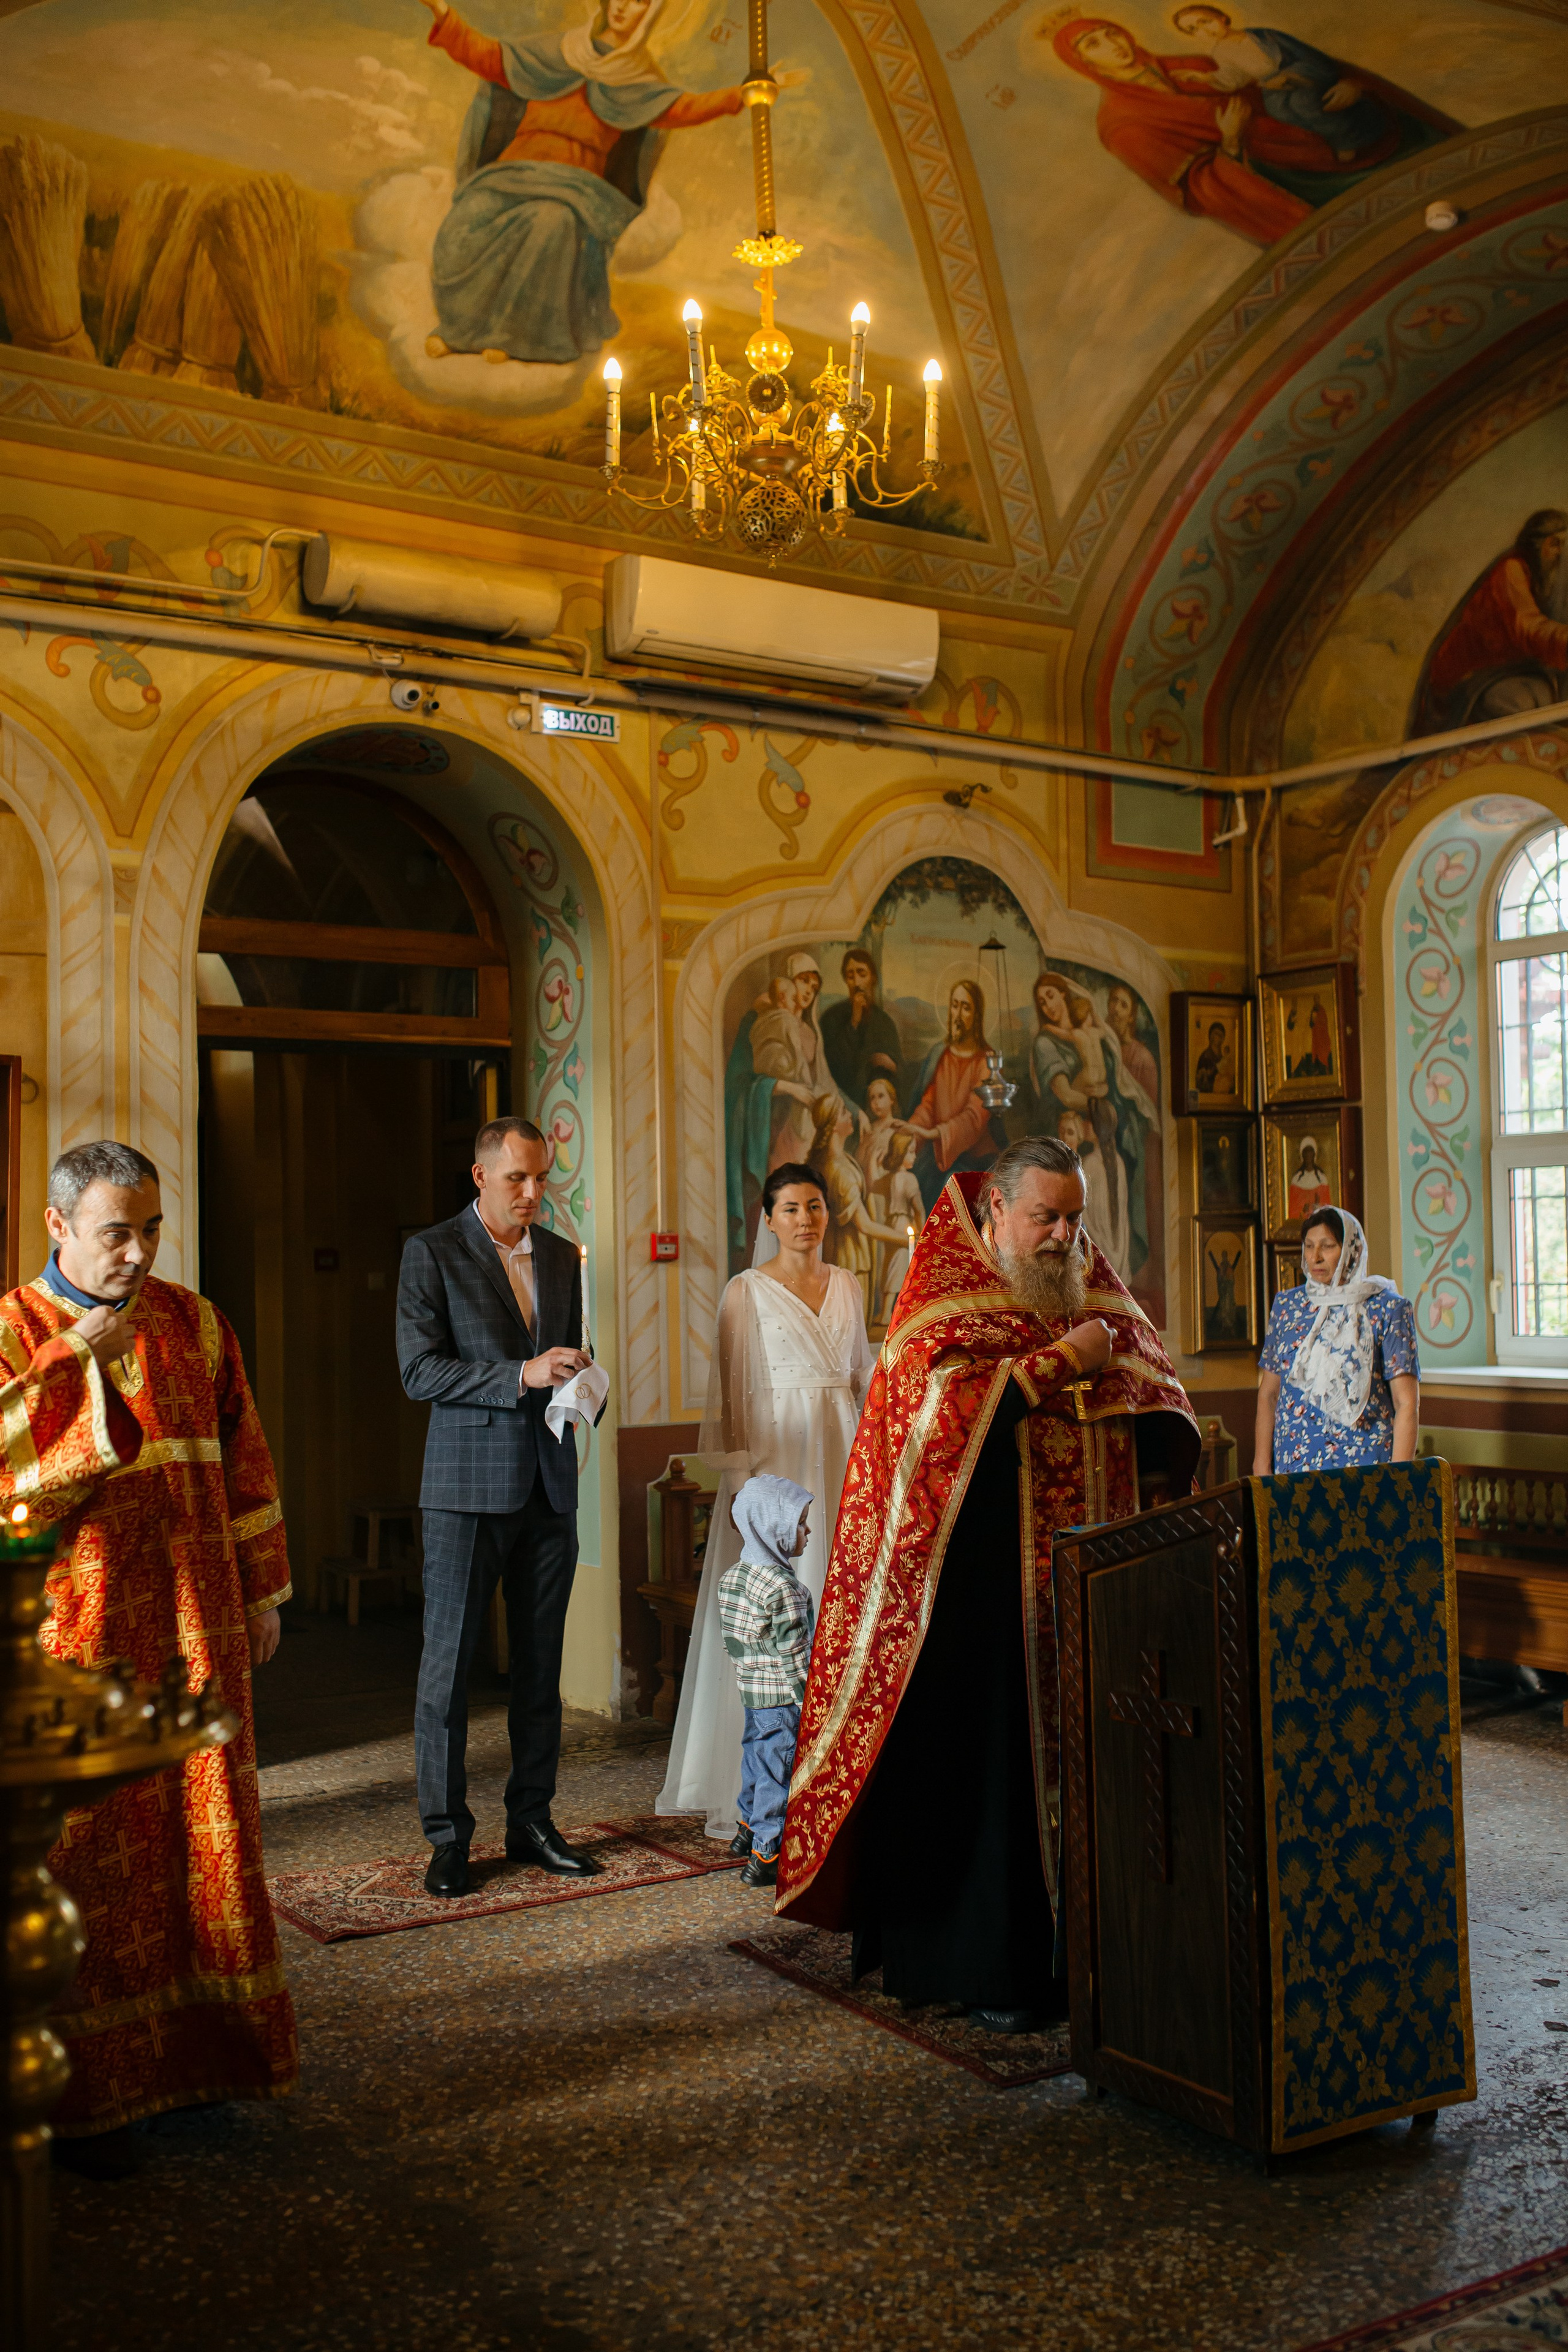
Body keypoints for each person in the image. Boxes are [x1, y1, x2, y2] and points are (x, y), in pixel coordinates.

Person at [778, 1138, 1199, 2029]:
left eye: (1075, 1219)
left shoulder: (1089, 1287)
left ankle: (1089, 1952)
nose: (1064, 1237)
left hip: (1085, 1585)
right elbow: (935, 1419)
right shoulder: (942, 1295)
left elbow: (1150, 1379)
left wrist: (1125, 1399)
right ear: (998, 1211)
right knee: (982, 1774)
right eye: (1046, 1218)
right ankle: (979, 1967)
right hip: (967, 1598)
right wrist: (1061, 1365)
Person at [0, 1141, 297, 2173]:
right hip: (76, 1645)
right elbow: (11, 1486)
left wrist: (261, 1585)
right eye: (116, 1232)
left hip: (197, 1626)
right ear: (58, 1226)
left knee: (206, 1842)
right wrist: (70, 1358)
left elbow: (246, 1453)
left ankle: (202, 2060)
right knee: (86, 1858)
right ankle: (85, 2093)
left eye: (151, 1230)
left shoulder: (195, 1322)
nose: (138, 1252)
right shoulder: (13, 1330)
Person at [396, 1114, 600, 1899]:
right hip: (464, 1491)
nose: (533, 1192)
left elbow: (565, 1355)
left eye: (541, 1177)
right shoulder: (431, 1252)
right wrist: (522, 1374)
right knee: (446, 1672)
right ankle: (448, 1839)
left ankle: (532, 1822)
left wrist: (580, 1381)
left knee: (541, 1669)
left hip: (549, 1484)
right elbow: (420, 1372)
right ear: (480, 1175)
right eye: (517, 1177)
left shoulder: (560, 1255)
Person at [657, 1162, 873, 1840]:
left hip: (841, 1452)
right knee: (778, 1622)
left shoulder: (848, 1284)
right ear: (770, 1220)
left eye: (815, 1206)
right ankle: (763, 1792)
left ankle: (836, 1774)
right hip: (777, 1464)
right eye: (791, 1209)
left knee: (839, 1601)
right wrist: (744, 1487)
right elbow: (729, 1396)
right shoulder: (744, 1291)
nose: (805, 1219)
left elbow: (861, 1377)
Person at [420, 0, 771, 366]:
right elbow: (488, 57)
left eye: (638, 1)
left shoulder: (639, 81)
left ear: (652, 13)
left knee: (552, 221)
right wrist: (443, 12)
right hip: (509, 176)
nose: (622, 7)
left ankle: (510, 334)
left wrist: (741, 95)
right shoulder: (555, 52)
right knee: (465, 223)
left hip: (575, 189)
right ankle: (457, 328)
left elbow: (684, 109)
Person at [1169, 7, 1455, 169]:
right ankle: (1332, 137)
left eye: (1205, 21)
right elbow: (1234, 79)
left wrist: (1290, 76)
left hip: (1300, 77)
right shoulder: (1220, 53)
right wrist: (1203, 78)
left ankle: (1347, 139)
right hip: (1272, 88)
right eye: (1194, 29)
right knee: (1281, 111)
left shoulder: (1263, 36)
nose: (1204, 30)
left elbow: (1307, 57)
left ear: (1222, 17)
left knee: (1305, 104)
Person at [1254, 1207, 1420, 1473]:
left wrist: (1398, 1479)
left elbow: (1406, 1403)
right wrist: (1261, 1466)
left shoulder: (1389, 1308)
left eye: (1327, 1246)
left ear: (1351, 1250)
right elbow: (1269, 1394)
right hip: (1294, 1464)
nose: (1315, 1257)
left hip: (1367, 1463)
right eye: (1309, 1246)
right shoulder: (1287, 1306)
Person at [717, 1474, 815, 1889]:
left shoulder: (733, 1577)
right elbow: (796, 1655)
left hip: (752, 1693)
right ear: (774, 1528)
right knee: (778, 1770)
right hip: (782, 1698)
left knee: (756, 1759)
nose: (808, 1532)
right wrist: (810, 1699)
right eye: (801, 1524)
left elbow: (732, 1642)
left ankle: (745, 1829)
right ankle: (766, 1854)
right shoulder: (785, 1588)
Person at [1413, 510, 1568, 733]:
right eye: (1554, 544)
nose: (1561, 553)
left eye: (1564, 545)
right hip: (1471, 679)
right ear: (1536, 545)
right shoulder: (1511, 570)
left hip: (1515, 672)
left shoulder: (1549, 580)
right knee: (1523, 704)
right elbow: (1528, 627)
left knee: (1550, 702)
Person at [904, 978, 1008, 1210]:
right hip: (940, 1149)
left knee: (950, 1189)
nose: (958, 1014)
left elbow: (974, 1118)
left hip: (975, 1156)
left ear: (977, 1016)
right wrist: (911, 1132)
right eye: (955, 1005)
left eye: (966, 1007)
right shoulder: (940, 1054)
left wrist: (934, 1133)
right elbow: (928, 1106)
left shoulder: (987, 1061)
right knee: (914, 1180)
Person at [808, 1092, 909, 1327]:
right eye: (844, 1112)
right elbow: (865, 1225)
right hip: (850, 1259)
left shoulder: (841, 1160)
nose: (850, 1116)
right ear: (834, 1125)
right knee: (850, 1329)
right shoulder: (839, 1170)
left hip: (851, 1255)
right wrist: (908, 1240)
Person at [821, 946, 904, 1112]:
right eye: (850, 976)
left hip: (877, 1109)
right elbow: (830, 1067)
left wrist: (890, 1065)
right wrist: (854, 1022)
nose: (857, 983)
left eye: (862, 974)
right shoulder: (831, 1017)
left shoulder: (885, 1022)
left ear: (873, 978)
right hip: (841, 1106)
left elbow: (899, 1073)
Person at [1286, 1137, 1332, 1222]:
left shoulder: (1322, 1179)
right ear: (1302, 1154)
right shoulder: (1296, 1180)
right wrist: (1302, 1208)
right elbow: (1292, 1210)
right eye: (1306, 1152)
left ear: (1314, 1154)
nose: (1308, 1155)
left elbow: (1327, 1208)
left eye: (1311, 1151)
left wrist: (1317, 1206)